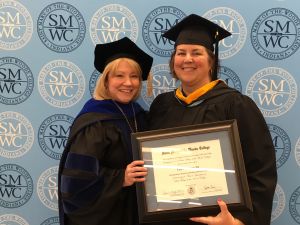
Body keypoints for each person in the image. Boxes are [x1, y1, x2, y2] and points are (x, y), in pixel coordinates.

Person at [148, 14, 277, 225]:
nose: (187, 59)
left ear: (211, 61)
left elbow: (260, 171)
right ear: (174, 61)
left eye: (196, 53)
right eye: (181, 53)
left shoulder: (236, 105)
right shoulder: (162, 105)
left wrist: (238, 221)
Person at [58, 37, 153, 225]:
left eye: (134, 76)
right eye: (119, 75)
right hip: (108, 217)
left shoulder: (140, 115)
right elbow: (76, 185)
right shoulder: (94, 122)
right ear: (106, 80)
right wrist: (121, 178)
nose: (128, 83)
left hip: (138, 212)